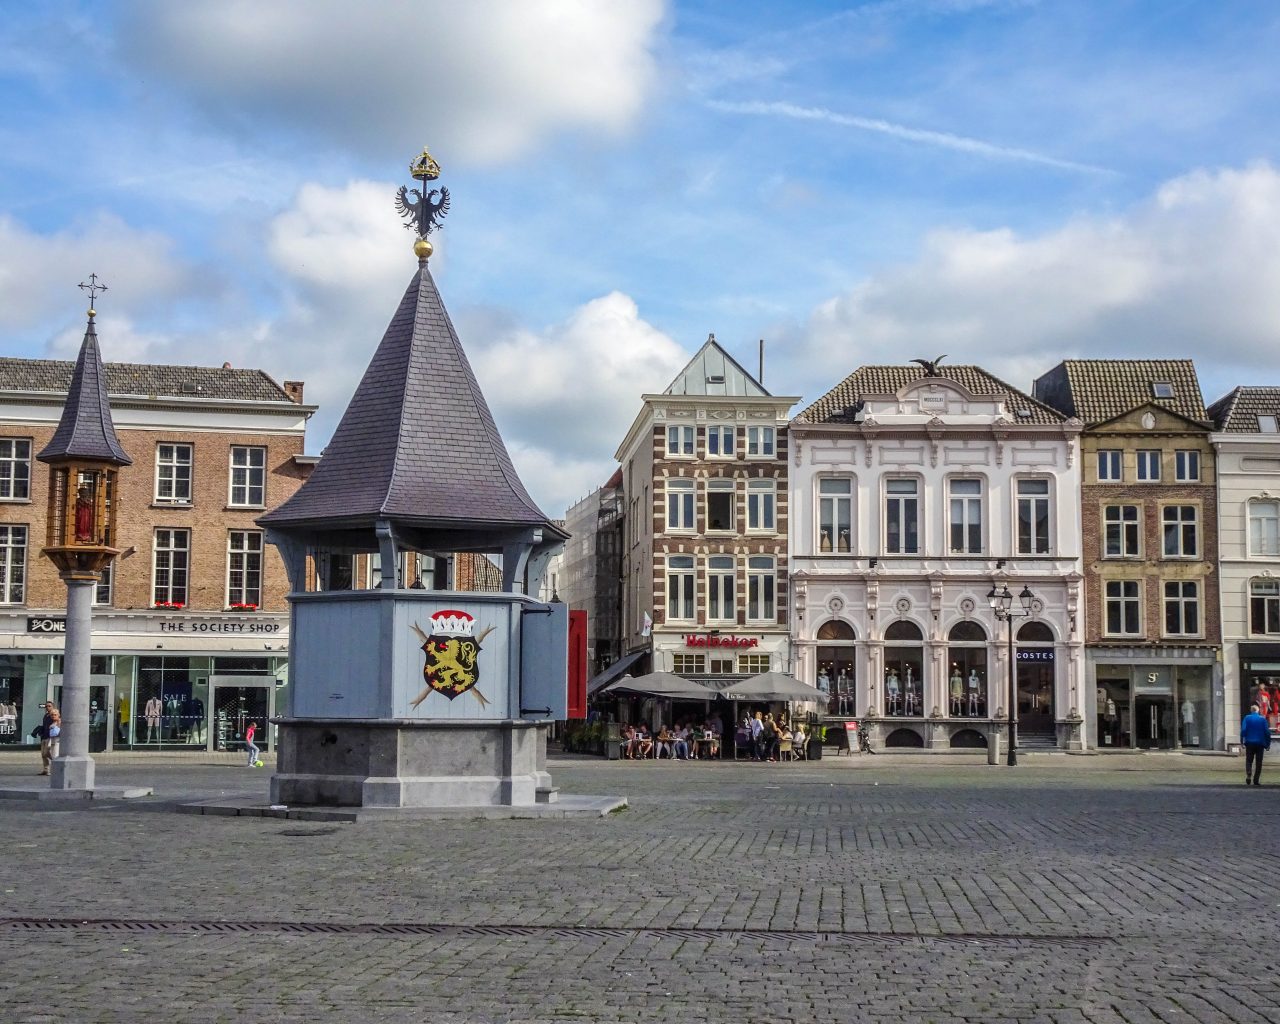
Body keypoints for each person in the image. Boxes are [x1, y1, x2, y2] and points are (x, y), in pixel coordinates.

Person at [1241, 704, 1271, 786]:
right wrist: (1268, 744)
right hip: (1260, 744)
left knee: (1249, 760)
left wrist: (1242, 741)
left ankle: (1249, 773)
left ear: (1251, 711)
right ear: (1258, 711)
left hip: (1249, 742)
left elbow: (1243, 730)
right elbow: (1267, 733)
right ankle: (1256, 780)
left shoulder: (1247, 718)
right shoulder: (1262, 719)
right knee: (1259, 762)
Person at [36, 702, 59, 776]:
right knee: (43, 754)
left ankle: (56, 762)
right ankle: (46, 770)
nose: (47, 707)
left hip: (50, 737)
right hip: (44, 736)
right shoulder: (46, 715)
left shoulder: (54, 715)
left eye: (49, 706)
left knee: (46, 752)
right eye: (46, 706)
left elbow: (58, 723)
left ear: (53, 707)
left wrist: (55, 723)